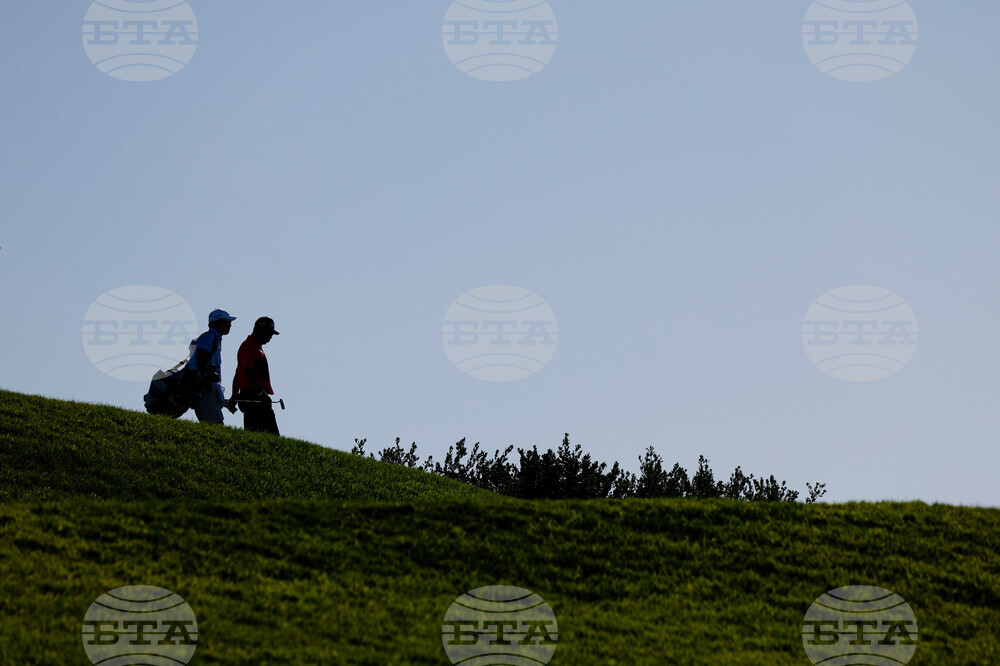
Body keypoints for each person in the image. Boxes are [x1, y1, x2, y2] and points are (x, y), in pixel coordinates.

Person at [184, 308, 236, 424]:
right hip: (204, 388)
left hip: (207, 388)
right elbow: (200, 359)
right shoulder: (209, 337)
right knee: (216, 426)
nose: (230, 325)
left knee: (215, 425)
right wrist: (206, 379)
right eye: (227, 322)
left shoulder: (214, 338)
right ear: (217, 322)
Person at [230, 316, 280, 434]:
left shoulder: (255, 347)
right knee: (269, 437)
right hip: (253, 397)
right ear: (259, 330)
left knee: (257, 435)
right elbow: (247, 372)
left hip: (252, 396)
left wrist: (234, 396)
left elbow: (238, 373)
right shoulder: (250, 346)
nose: (270, 337)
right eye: (268, 333)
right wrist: (261, 394)